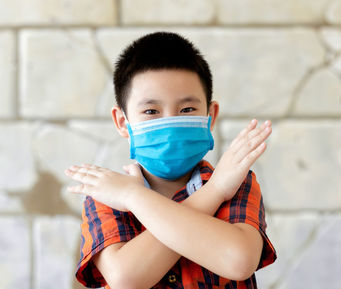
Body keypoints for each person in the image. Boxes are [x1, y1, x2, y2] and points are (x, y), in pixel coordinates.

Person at [64, 31, 276, 289]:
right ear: (122, 122)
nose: (169, 122)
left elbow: (238, 261)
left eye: (186, 110)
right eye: (151, 111)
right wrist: (215, 191)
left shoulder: (238, 181)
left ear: (210, 115)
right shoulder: (107, 195)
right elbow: (126, 278)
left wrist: (136, 198)